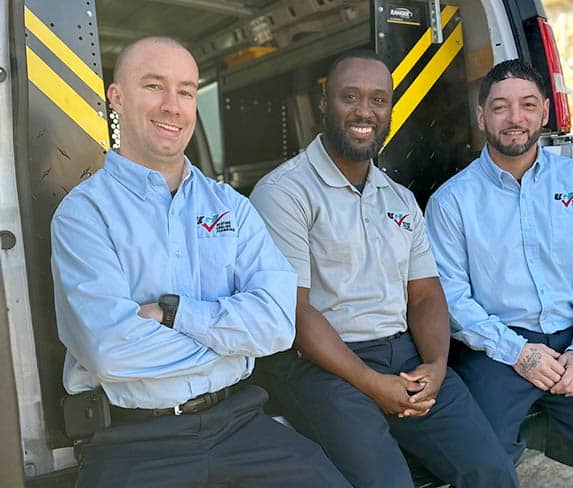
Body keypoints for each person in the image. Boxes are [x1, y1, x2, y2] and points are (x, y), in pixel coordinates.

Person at [50, 36, 349, 488]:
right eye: (154, 86)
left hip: (239, 424)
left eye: (186, 91)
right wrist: (231, 339)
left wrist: (174, 314)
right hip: (135, 441)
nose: (173, 105)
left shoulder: (232, 207)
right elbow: (110, 352)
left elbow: (277, 325)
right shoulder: (84, 214)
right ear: (116, 97)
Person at [249, 50, 518, 488]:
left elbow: (426, 294)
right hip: (323, 365)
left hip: (405, 355)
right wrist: (374, 385)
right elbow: (295, 314)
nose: (365, 112)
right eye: (350, 97)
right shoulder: (284, 193)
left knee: (492, 471)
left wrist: (435, 364)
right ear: (324, 103)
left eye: (378, 100)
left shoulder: (398, 198)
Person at [425, 59, 573, 487]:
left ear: (544, 112)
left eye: (527, 104)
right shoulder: (451, 202)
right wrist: (518, 353)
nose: (515, 118)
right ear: (480, 116)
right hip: (496, 352)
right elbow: (450, 296)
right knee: (482, 464)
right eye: (500, 107)